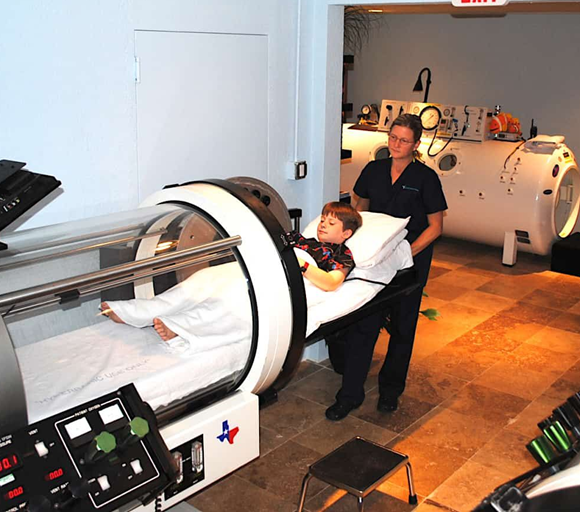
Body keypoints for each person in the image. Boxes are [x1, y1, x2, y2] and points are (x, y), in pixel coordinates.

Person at [325, 113, 447, 421]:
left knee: (403, 327)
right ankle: (349, 395)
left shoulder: (425, 178)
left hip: (411, 261)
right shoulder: (374, 169)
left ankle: (391, 390)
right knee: (365, 324)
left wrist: (408, 252)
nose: (396, 144)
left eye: (404, 140)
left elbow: (435, 226)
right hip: (376, 261)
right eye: (393, 137)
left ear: (416, 144)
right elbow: (358, 208)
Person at [100, 201, 362, 340]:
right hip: (265, 267)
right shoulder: (299, 238)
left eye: (331, 223)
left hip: (293, 279)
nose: (323, 225)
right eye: (323, 220)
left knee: (233, 297)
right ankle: (136, 311)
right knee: (205, 278)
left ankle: (181, 328)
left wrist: (301, 265)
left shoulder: (341, 255)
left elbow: (330, 283)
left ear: (346, 233)